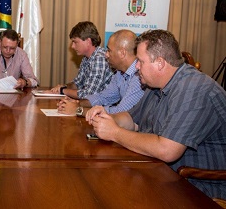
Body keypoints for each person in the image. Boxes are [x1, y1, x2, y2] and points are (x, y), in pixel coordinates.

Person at [86, 29, 226, 200]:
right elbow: (132, 119)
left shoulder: (193, 88)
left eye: (140, 61)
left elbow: (167, 150)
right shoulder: (155, 85)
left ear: (159, 63)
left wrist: (114, 133)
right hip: (165, 173)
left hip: (201, 185)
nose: (136, 66)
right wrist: (107, 118)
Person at [57, 29, 144, 115]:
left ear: (122, 53)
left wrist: (79, 110)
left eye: (109, 50)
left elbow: (122, 111)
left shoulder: (139, 76)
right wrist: (77, 103)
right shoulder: (120, 73)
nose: (106, 55)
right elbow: (103, 97)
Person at [48, 21, 113, 99]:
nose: (72, 46)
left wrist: (63, 90)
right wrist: (63, 86)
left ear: (88, 41)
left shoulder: (100, 58)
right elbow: (78, 84)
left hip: (105, 108)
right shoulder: (86, 58)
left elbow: (89, 95)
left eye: (75, 42)